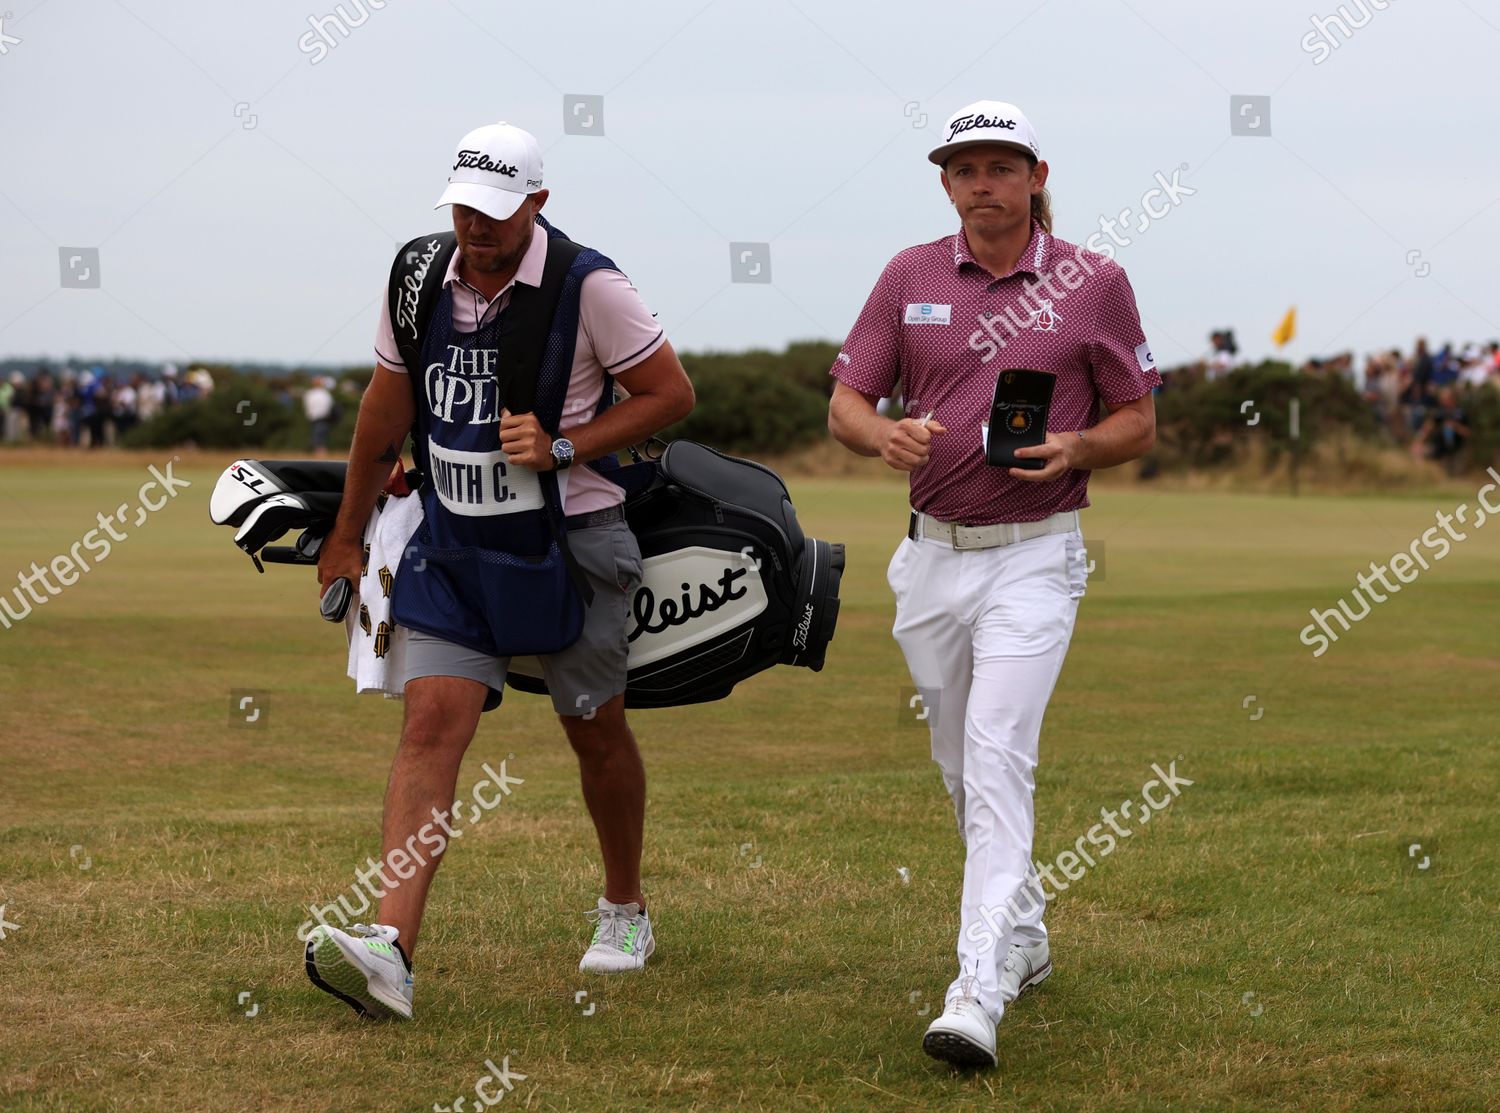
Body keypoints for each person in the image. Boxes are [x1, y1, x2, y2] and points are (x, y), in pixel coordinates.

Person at [306, 121, 694, 1021]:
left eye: (494, 211)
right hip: (454, 547)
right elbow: (383, 414)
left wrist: (565, 444)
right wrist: (346, 535)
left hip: (574, 545)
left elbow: (671, 394)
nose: (475, 228)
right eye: (463, 210)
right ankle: (392, 951)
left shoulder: (592, 285)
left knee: (594, 732)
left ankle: (625, 906)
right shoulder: (416, 278)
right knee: (429, 726)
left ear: (537, 203)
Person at [828, 101, 1160, 1068]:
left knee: (998, 754)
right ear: (946, 183)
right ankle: (1026, 934)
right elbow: (847, 401)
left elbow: (1138, 420)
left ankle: (976, 989)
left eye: (1001, 167)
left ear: (1035, 176)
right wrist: (881, 434)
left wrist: (1077, 446)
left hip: (1037, 555)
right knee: (961, 766)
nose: (983, 183)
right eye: (965, 168)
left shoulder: (1094, 281)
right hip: (930, 556)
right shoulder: (909, 274)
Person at [302, 375, 337, 457]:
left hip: (320, 417)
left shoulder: (315, 393)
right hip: (318, 417)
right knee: (319, 434)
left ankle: (320, 452)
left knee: (319, 434)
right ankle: (319, 452)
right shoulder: (321, 393)